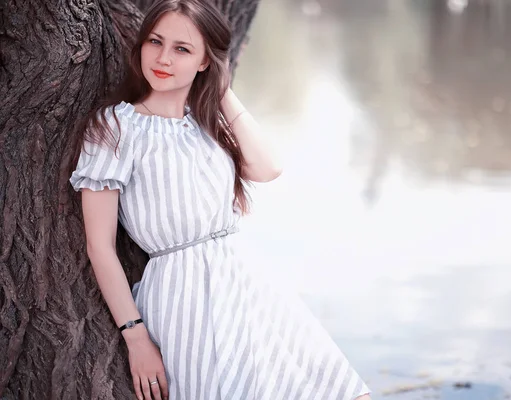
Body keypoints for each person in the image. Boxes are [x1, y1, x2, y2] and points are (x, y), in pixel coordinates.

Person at [68, 0, 372, 399]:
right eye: (155, 42)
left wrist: (222, 91)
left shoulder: (205, 121)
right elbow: (100, 247)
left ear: (204, 61)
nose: (162, 58)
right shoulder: (114, 128)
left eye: (182, 49)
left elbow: (267, 168)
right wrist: (135, 337)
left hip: (250, 285)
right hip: (184, 297)